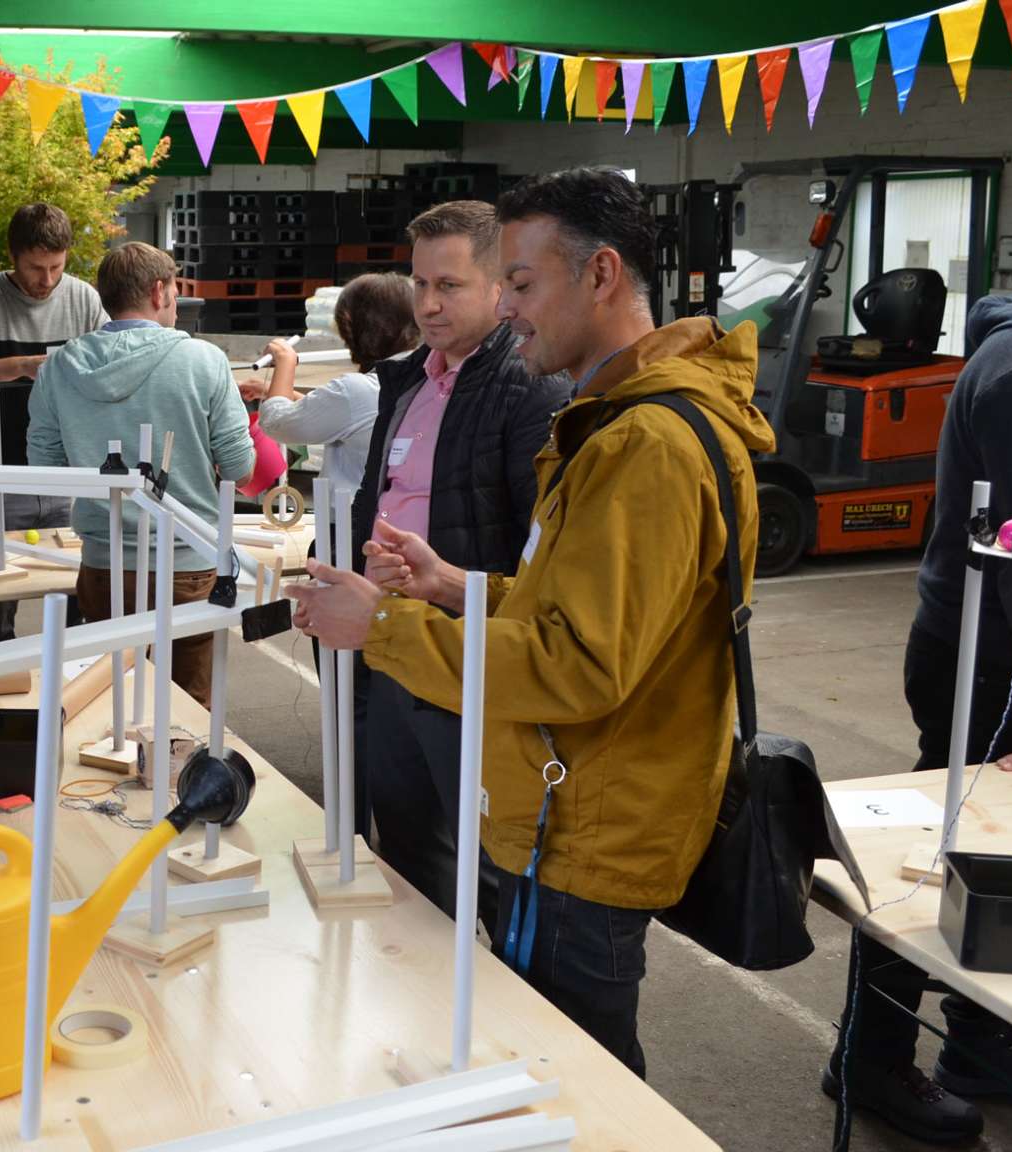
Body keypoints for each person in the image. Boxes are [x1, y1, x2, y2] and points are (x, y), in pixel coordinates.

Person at [288, 167, 775, 1078]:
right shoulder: (617, 422)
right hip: (569, 809)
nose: (507, 309)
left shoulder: (645, 444)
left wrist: (382, 628)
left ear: (601, 275)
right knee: (551, 1053)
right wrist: (454, 585)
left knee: (575, 1077)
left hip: (585, 831)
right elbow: (575, 608)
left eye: (519, 282)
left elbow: (576, 664)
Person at [824, 201, 1012, 1144]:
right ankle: (872, 1058)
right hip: (991, 659)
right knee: (937, 866)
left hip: (1000, 647)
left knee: (1011, 858)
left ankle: (981, 1042)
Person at [342, 204, 570, 921]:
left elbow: (541, 549)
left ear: (500, 287)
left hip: (470, 663)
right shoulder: (406, 382)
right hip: (393, 649)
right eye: (419, 284)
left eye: (450, 285)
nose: (429, 304)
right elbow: (378, 494)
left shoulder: (530, 388)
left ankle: (496, 989)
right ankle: (425, 981)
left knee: (492, 865)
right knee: (409, 850)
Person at [26, 241, 254, 707]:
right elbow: (239, 468)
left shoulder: (60, 366)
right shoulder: (204, 360)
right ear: (158, 291)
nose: (176, 303)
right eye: (175, 292)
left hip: (104, 564)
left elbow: (45, 472)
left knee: (111, 705)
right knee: (186, 711)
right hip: (188, 563)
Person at [0, 202, 110, 643]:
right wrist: (21, 366)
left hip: (69, 470)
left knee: (83, 590)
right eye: (36, 268)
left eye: (57, 267)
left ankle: (77, 668)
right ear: (12, 256)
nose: (47, 280)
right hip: (0, 468)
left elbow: (115, 359)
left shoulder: (84, 298)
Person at [240, 272, 416, 495]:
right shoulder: (420, 377)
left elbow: (277, 423)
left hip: (353, 513)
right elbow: (346, 414)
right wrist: (278, 392)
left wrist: (285, 362)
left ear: (350, 324)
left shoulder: (357, 391)